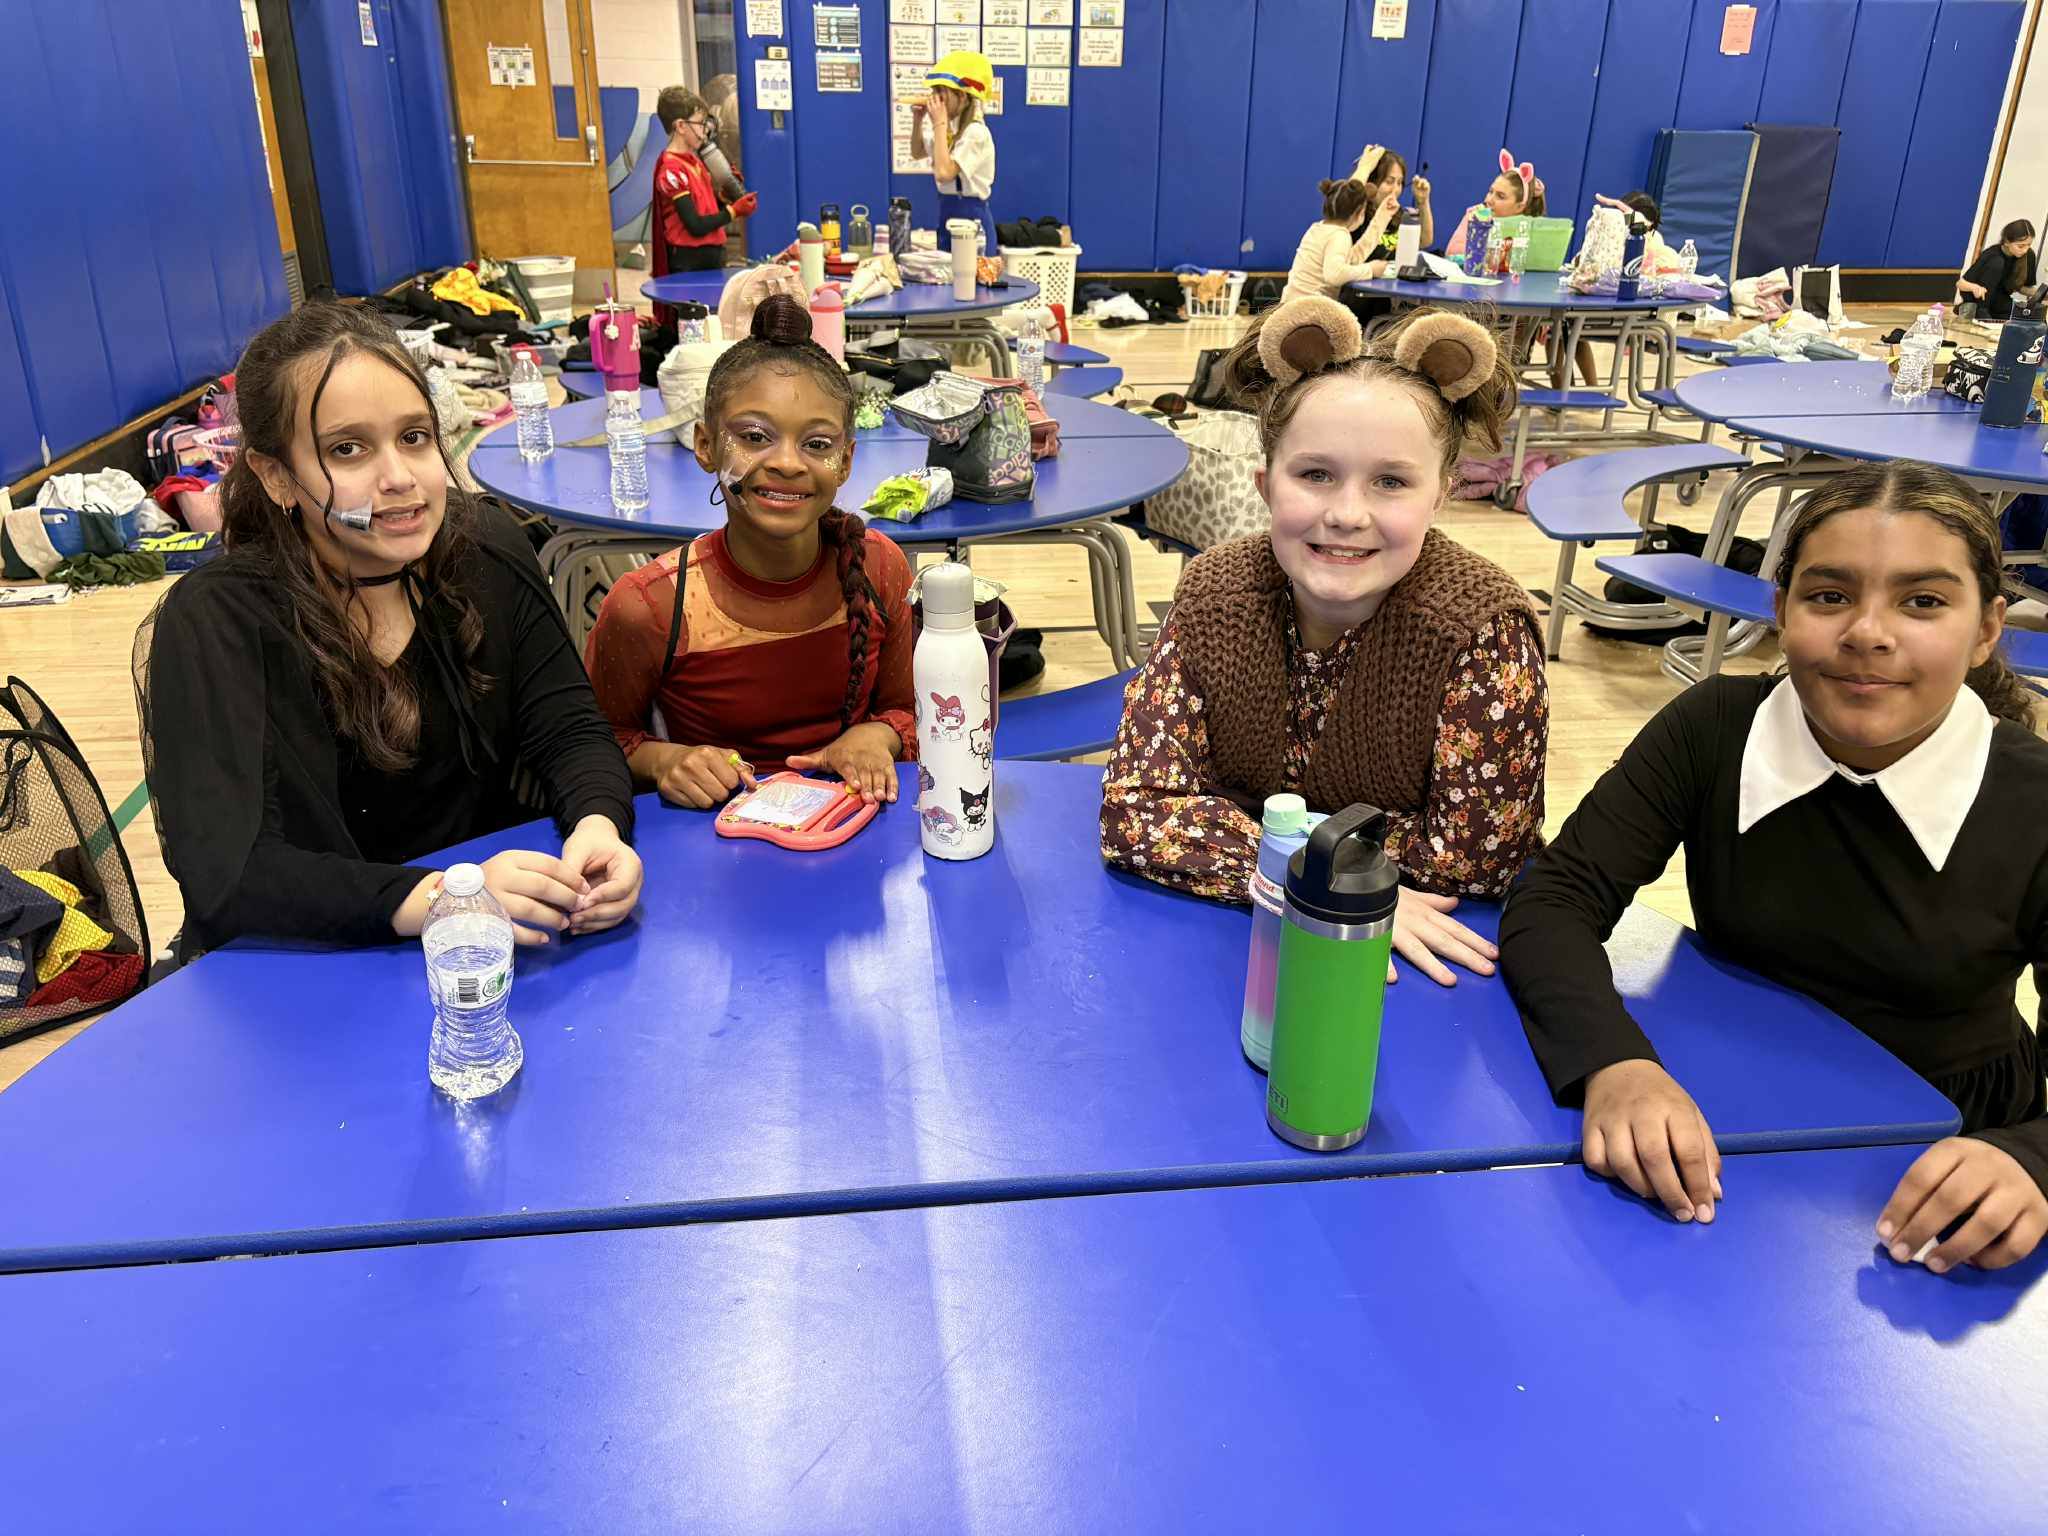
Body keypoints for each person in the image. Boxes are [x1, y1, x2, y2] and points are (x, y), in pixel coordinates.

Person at [1501, 460, 2048, 1273]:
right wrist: (1612, 1060)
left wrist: (2031, 1158)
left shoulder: (2033, 797)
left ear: (1985, 629)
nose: (1868, 631)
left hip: (1941, 1146)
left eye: (1923, 601)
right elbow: (1557, 897)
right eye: (1829, 596)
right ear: (1781, 609)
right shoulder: (1714, 725)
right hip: (1723, 1098)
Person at [140, 304, 642, 960]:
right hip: (308, 970)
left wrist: (600, 828)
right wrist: (443, 899)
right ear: (275, 475)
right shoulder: (218, 621)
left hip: (488, 951)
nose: (400, 478)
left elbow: (569, 729)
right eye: (347, 449)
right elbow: (231, 872)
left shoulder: (485, 547)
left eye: (414, 437)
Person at [1100, 296, 1549, 986]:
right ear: (1266, 486)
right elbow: (1137, 806)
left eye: (1392, 482)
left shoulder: (1483, 633)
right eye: (1315, 474)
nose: (1346, 513)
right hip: (1223, 945)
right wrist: (1330, 879)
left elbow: (1475, 859)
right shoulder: (1213, 593)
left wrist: (1243, 830)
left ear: (1442, 495)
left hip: (1418, 963)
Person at [584, 296, 916, 809]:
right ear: (705, 446)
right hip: (715, 842)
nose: (787, 462)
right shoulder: (650, 606)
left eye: (818, 444)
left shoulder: (880, 567)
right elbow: (594, 743)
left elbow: (908, 710)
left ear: (846, 462)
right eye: (755, 436)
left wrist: (878, 737)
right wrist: (668, 760)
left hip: (855, 827)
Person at [650, 85, 757, 278]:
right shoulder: (671, 170)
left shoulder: (695, 162)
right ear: (681, 126)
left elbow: (704, 209)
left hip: (712, 254)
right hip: (688, 262)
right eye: (699, 124)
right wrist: (734, 211)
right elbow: (695, 225)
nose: (704, 131)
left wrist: (724, 198)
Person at [909, 50, 999, 257]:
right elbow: (917, 151)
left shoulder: (975, 133)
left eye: (943, 92)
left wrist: (939, 123)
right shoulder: (950, 132)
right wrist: (918, 120)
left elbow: (944, 172)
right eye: (935, 91)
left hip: (972, 221)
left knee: (971, 285)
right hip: (947, 215)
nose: (936, 99)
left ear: (962, 96)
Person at [1281, 178, 1398, 305]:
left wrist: (1383, 216)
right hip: (1309, 310)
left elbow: (1352, 259)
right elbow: (1334, 275)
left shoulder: (1317, 228)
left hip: (1290, 304)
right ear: (1358, 213)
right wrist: (1370, 269)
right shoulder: (1340, 236)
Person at [1446, 149, 1545, 263]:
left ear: (1519, 207)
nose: (1489, 200)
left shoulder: (1528, 229)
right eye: (1490, 191)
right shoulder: (1475, 215)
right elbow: (1452, 252)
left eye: (1500, 196)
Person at [1347, 145, 1434, 263]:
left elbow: (1424, 241)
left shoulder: (1398, 214)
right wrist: (1365, 167)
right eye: (1389, 182)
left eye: (1399, 183)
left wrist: (1423, 202)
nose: (1395, 189)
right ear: (1371, 181)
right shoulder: (1356, 215)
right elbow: (1348, 197)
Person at [1957, 218, 2039, 319]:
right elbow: (1960, 284)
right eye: (2020, 246)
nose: (2025, 250)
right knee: (1997, 263)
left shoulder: (2028, 256)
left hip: (2001, 302)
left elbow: (2021, 288)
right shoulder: (1992, 255)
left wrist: (2040, 293)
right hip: (1979, 303)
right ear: (2006, 242)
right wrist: (1975, 288)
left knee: (2031, 317)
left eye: (2029, 245)